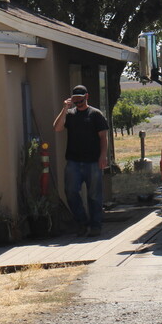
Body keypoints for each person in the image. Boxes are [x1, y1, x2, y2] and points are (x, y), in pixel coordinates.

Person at [53, 85, 108, 237]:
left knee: (94, 195)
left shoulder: (95, 114)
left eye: (80, 100)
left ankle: (96, 226)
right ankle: (82, 222)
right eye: (75, 100)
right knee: (71, 192)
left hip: (93, 161)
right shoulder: (70, 114)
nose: (78, 103)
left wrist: (103, 156)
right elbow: (57, 128)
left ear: (86, 97)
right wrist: (64, 108)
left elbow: (103, 137)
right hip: (74, 161)